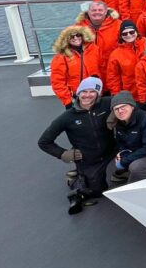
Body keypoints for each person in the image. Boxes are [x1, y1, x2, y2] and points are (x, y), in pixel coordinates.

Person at [38, 77, 114, 214]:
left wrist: (114, 114)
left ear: (98, 94)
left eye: (92, 91)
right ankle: (77, 183)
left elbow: (127, 100)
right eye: (84, 91)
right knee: (98, 192)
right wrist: (63, 154)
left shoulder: (107, 103)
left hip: (112, 150)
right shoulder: (67, 117)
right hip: (90, 159)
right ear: (78, 93)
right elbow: (43, 142)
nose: (87, 95)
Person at [107, 91, 146, 185]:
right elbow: (121, 143)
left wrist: (125, 160)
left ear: (132, 106)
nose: (120, 111)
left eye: (123, 107)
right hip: (139, 151)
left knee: (137, 166)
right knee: (117, 162)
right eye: (116, 109)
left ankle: (137, 191)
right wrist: (122, 154)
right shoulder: (120, 122)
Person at [50, 24, 101, 108]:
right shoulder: (61, 57)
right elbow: (57, 82)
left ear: (83, 35)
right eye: (71, 36)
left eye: (78, 35)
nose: (75, 38)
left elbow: (101, 70)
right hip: (76, 98)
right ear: (66, 39)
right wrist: (68, 101)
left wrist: (100, 90)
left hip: (95, 94)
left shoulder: (94, 49)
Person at [105, 19, 144, 96]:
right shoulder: (116, 54)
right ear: (121, 36)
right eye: (125, 33)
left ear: (137, 31)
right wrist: (118, 96)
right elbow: (112, 77)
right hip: (131, 94)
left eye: (131, 32)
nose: (128, 35)